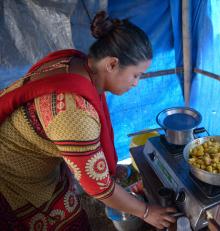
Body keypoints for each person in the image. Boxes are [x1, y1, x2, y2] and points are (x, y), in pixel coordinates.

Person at [0, 11, 176, 230]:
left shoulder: (75, 64)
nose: (136, 84)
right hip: (12, 175)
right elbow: (99, 188)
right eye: (136, 75)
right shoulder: (75, 114)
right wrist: (147, 212)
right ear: (112, 64)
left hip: (32, 155)